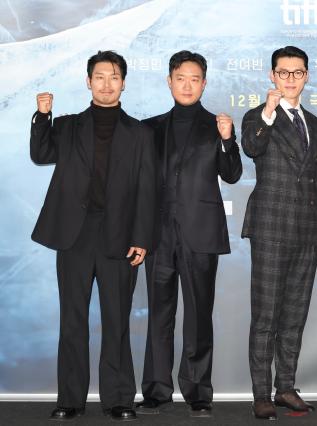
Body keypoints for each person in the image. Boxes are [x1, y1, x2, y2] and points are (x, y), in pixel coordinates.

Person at [30, 50, 155, 421]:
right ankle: (70, 399)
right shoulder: (66, 126)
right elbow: (40, 153)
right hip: (75, 235)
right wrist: (42, 116)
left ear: (124, 83)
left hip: (120, 236)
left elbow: (147, 190)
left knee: (117, 320)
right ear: (88, 81)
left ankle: (118, 399)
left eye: (114, 77)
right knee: (72, 320)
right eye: (99, 77)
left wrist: (142, 237)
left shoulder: (140, 133)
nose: (106, 84)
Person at [135, 51, 242, 417]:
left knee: (199, 316)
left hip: (201, 233)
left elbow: (232, 174)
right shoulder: (149, 128)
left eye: (194, 78)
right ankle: (156, 389)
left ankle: (198, 390)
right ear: (169, 80)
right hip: (158, 236)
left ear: (204, 83)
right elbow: (141, 186)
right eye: (180, 77)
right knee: (159, 316)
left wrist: (229, 140)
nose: (187, 84)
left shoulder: (217, 125)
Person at [241, 46, 317, 420]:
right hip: (270, 229)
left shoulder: (314, 123)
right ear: (272, 76)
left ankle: (286, 388)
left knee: (294, 316)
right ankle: (261, 394)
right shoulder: (256, 116)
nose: (291, 79)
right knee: (265, 317)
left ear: (307, 76)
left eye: (298, 72)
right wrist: (267, 112)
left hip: (307, 231)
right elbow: (250, 146)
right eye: (284, 72)